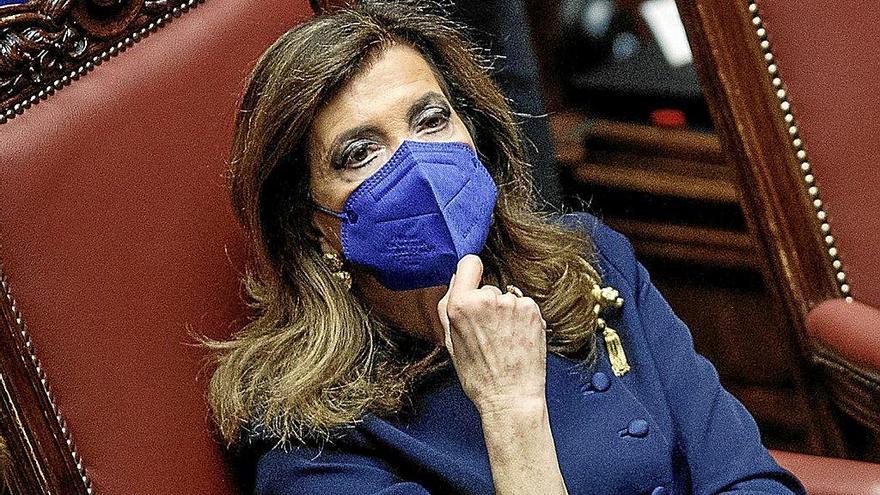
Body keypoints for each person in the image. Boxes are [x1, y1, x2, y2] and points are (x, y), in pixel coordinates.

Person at [205, 2, 805, 494]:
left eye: (431, 119)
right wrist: (509, 407)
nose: (416, 162)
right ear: (314, 225)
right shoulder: (313, 450)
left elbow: (746, 477)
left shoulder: (589, 262)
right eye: (360, 152)